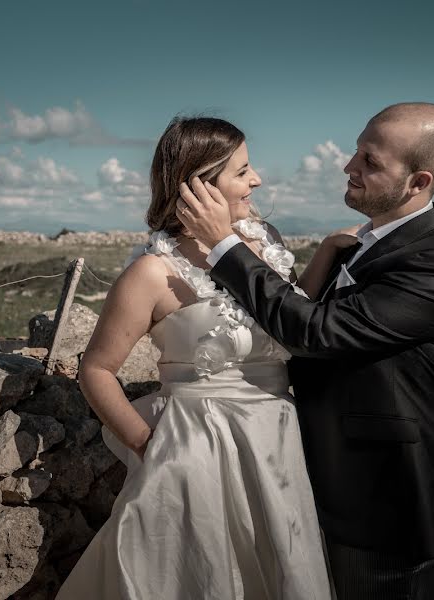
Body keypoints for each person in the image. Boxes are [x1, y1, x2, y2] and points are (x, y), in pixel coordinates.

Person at [176, 102, 434, 600]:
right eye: (357, 150)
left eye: (370, 162)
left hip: (386, 506)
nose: (349, 166)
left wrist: (222, 246)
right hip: (323, 486)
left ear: (418, 182)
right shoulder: (368, 242)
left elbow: (316, 333)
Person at [56, 117, 346, 599]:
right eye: (243, 171)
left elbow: (290, 315)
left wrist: (328, 251)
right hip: (195, 448)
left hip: (278, 441)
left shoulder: (265, 241)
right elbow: (97, 369)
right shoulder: (151, 273)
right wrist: (148, 445)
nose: (258, 180)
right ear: (199, 186)